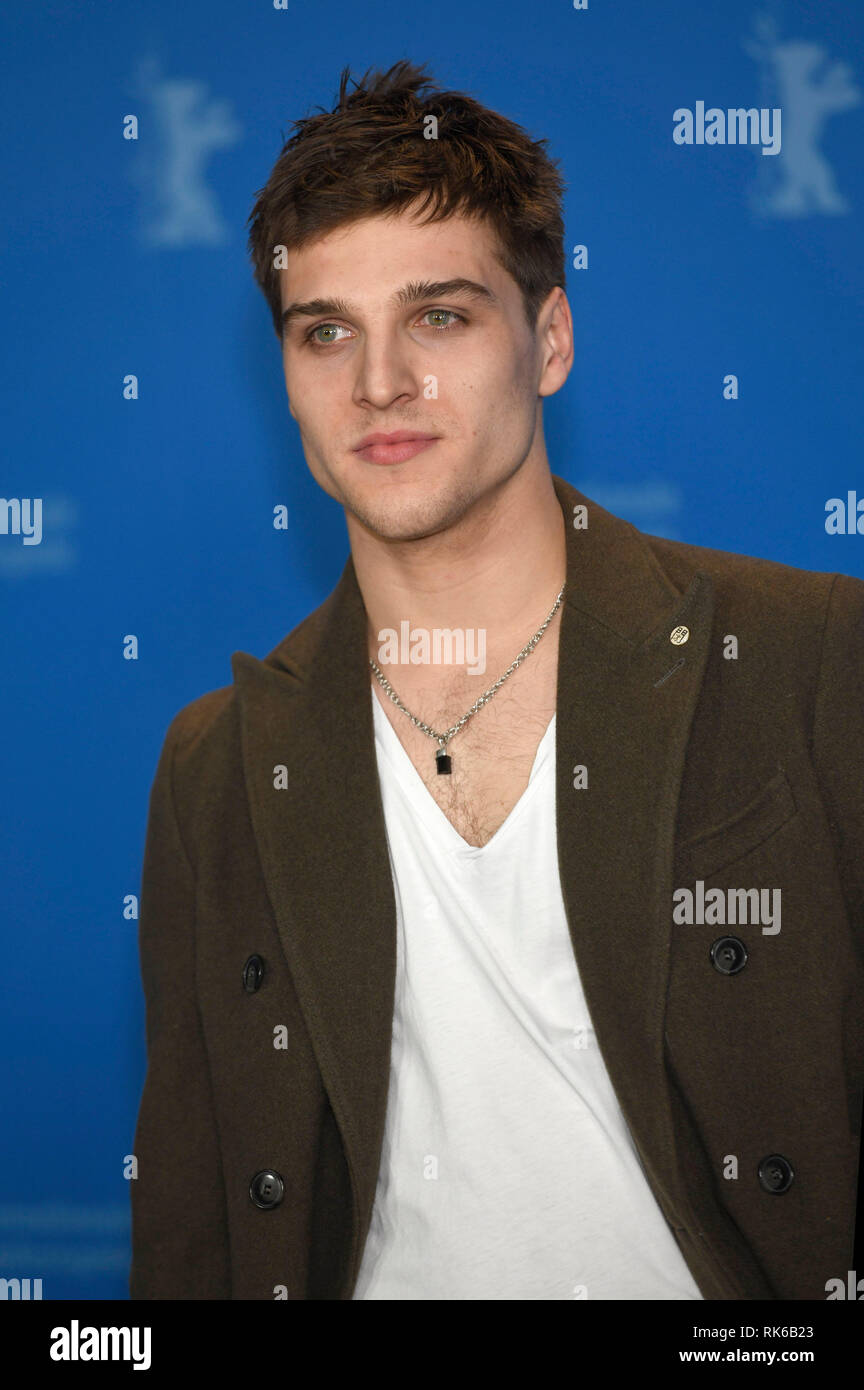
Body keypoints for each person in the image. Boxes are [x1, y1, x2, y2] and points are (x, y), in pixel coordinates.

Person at [129, 59, 863, 1301]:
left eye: (441, 316)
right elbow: (195, 1230)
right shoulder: (218, 764)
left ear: (552, 339)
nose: (378, 384)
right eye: (327, 333)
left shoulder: (807, 654)